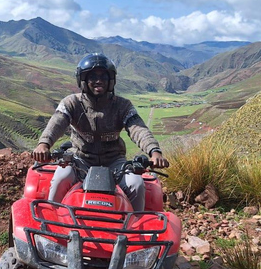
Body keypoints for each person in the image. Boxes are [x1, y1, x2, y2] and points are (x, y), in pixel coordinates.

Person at [32, 53, 169, 211]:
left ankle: (135, 224)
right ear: (83, 80)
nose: (99, 81)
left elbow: (138, 128)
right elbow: (57, 122)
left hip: (115, 162)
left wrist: (154, 151)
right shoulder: (71, 103)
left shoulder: (123, 106)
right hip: (79, 159)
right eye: (92, 77)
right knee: (61, 178)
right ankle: (52, 218)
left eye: (104, 76)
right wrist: (44, 144)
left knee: (136, 184)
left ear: (111, 80)